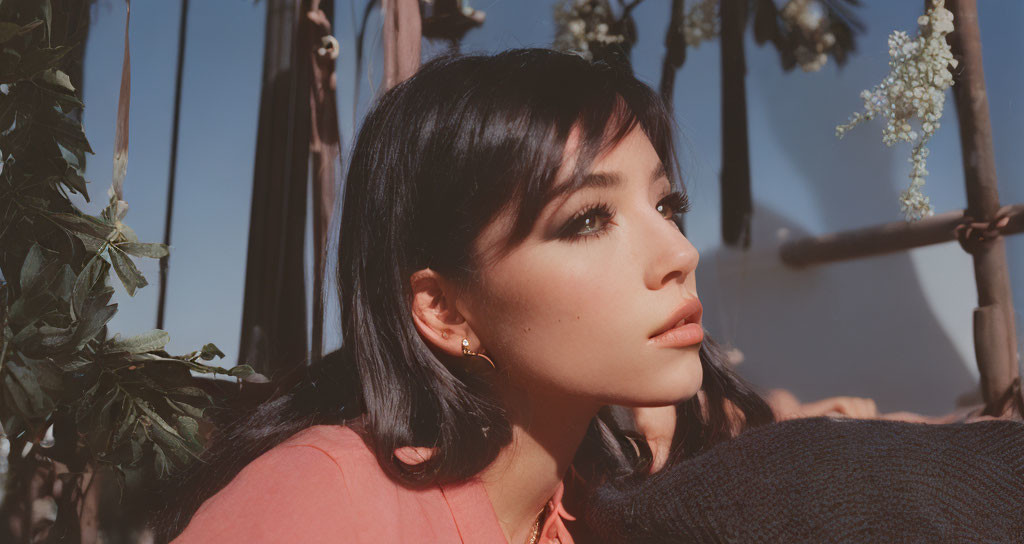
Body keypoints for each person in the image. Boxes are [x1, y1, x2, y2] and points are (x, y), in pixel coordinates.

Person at [157, 48, 1022, 544]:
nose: (679, 253)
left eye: (665, 205)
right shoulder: (320, 505)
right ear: (446, 311)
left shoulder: (573, 509)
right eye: (585, 221)